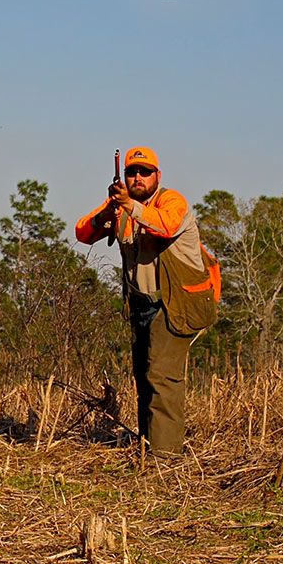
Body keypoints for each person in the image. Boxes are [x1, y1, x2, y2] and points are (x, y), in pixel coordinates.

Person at [74, 147, 219, 456]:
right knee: (144, 377)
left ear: (157, 176)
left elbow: (164, 225)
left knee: (161, 377)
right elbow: (83, 233)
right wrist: (108, 212)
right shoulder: (122, 206)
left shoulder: (172, 201)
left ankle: (165, 462)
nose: (138, 177)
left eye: (145, 171)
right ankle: (149, 447)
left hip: (174, 303)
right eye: (131, 172)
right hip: (141, 306)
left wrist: (129, 206)